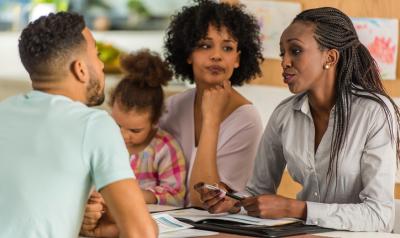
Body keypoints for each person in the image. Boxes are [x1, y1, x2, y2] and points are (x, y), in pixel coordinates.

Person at [196, 7, 400, 232]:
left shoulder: (374, 112)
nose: (284, 62)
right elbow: (257, 192)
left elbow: (380, 216)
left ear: (330, 57)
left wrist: (297, 209)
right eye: (283, 52)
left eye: (295, 50)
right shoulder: (284, 114)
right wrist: (234, 203)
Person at [0, 12, 157, 238]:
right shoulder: (94, 124)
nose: (102, 65)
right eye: (97, 54)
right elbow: (141, 233)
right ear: (81, 69)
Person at [160, 0, 264, 206]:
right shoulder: (171, 107)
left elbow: (203, 201)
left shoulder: (246, 120)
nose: (216, 55)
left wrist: (211, 121)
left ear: (237, 59)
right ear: (188, 54)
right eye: (205, 45)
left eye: (227, 48)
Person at [90, 49, 186, 207]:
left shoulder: (165, 149)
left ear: (155, 120)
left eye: (135, 130)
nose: (123, 135)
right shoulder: (103, 140)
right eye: (117, 125)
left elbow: (175, 196)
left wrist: (135, 196)